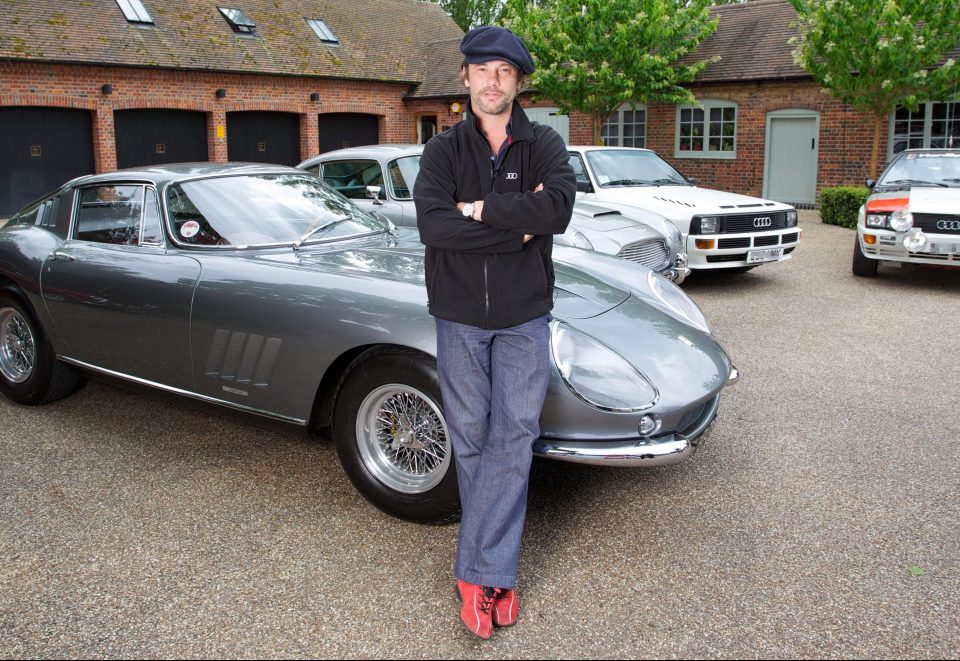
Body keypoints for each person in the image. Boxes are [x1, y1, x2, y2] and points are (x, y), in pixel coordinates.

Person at [413, 26, 576, 640]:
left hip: (523, 317)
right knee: (474, 438)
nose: (491, 81)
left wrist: (477, 210)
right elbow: (433, 227)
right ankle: (492, 576)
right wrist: (516, 224)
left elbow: (556, 209)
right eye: (481, 70)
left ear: (518, 82)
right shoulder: (442, 153)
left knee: (516, 435)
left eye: (504, 71)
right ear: (465, 81)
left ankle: (478, 573)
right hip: (458, 317)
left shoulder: (543, 145)